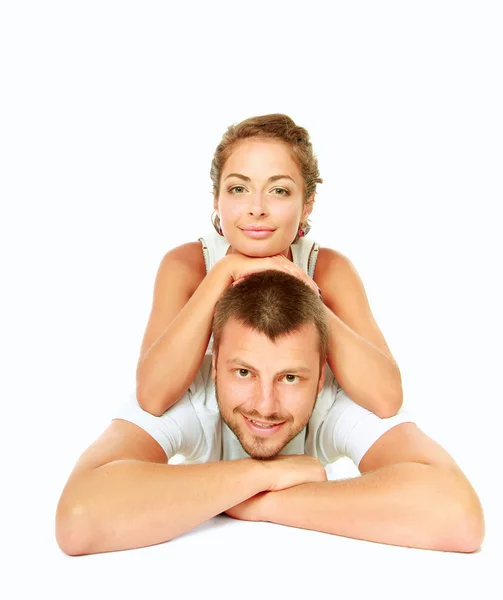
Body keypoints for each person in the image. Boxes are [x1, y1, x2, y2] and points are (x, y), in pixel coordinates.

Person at [55, 271, 485, 556]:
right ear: (212, 361)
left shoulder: (338, 394)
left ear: (322, 377)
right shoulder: (190, 390)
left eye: (291, 378)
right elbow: (78, 520)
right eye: (243, 372)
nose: (265, 404)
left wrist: (259, 505)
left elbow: (458, 517)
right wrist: (261, 475)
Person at [135, 113, 403, 420]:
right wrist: (225, 271)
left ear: (307, 204)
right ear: (216, 199)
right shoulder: (184, 266)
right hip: (206, 459)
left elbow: (387, 399)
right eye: (239, 188)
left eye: (279, 190)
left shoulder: (330, 270)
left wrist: (307, 296)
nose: (257, 209)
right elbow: (152, 397)